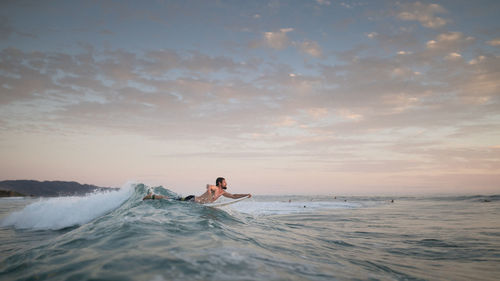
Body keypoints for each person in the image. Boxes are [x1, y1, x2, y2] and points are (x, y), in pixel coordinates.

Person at [142, 177, 251, 203]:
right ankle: (151, 196)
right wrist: (209, 191)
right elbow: (209, 185)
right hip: (192, 199)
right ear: (219, 183)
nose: (226, 183)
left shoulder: (223, 192)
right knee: (169, 199)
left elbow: (234, 196)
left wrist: (246, 195)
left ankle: (152, 195)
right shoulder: (215, 188)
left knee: (171, 199)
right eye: (224, 182)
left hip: (196, 203)